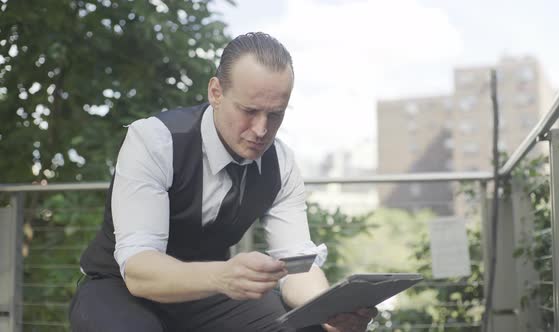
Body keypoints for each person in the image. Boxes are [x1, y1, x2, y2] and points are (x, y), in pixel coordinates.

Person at [69, 32, 377, 332]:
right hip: (119, 287)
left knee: (306, 326)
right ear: (216, 92)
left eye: (275, 115)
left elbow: (297, 266)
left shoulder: (281, 164)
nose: (261, 129)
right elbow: (138, 270)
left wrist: (327, 310)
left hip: (208, 294)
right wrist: (222, 276)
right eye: (249, 111)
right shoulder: (155, 140)